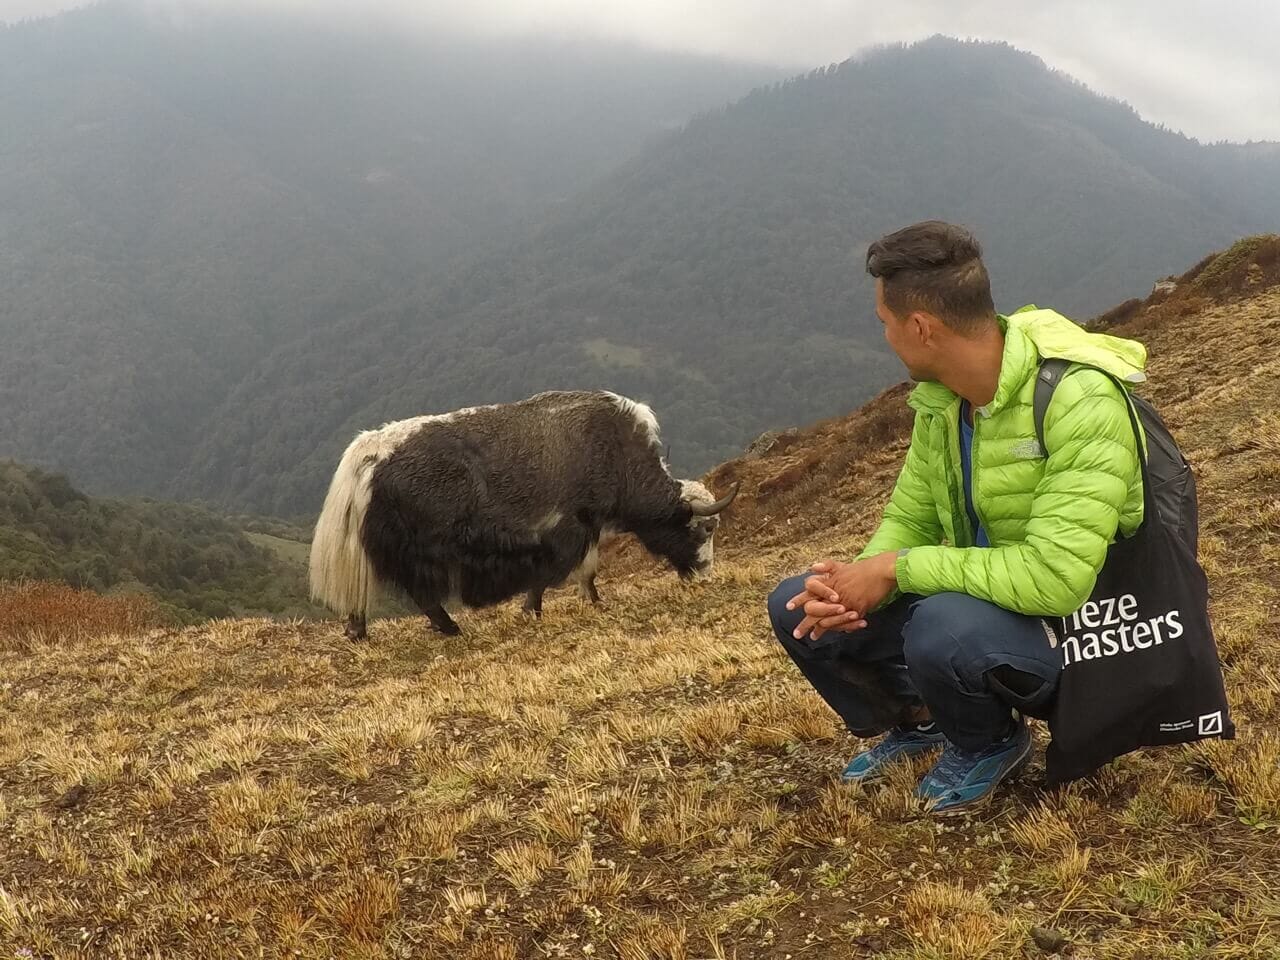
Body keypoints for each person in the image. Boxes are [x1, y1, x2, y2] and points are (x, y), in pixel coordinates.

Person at [767, 220, 1147, 814]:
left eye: (885, 325)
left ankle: (990, 742)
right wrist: (850, 587)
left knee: (941, 625)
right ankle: (921, 721)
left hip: (1087, 633)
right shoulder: (944, 401)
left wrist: (898, 568)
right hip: (990, 603)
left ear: (921, 327)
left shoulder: (1080, 401)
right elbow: (912, 516)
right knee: (796, 605)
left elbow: (1057, 580)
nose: (886, 338)